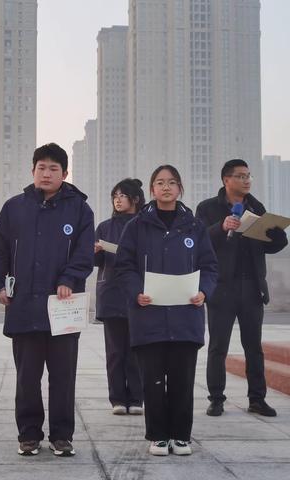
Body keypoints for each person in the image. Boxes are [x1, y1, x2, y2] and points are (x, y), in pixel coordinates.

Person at [0, 143, 94, 457]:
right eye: (41, 168)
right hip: (24, 308)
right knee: (27, 379)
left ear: (65, 173)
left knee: (63, 378)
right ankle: (29, 434)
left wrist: (68, 279)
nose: (47, 173)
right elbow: (1, 250)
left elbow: (84, 252)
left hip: (63, 307)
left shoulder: (79, 209)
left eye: (54, 169)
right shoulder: (14, 207)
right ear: (32, 171)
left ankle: (62, 435)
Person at [115, 165, 218, 456]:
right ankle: (158, 435)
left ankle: (181, 435)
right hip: (149, 316)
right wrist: (137, 292)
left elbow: (209, 266)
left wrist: (203, 292)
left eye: (172, 182)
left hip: (186, 316)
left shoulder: (194, 226)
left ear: (180, 188)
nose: (166, 187)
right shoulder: (136, 226)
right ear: (151, 190)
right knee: (153, 380)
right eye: (160, 183)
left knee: (183, 380)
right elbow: (124, 267)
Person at [196, 159, 288, 418]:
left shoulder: (257, 207)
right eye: (241, 176)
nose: (247, 180)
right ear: (226, 180)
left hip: (251, 287)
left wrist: (279, 236)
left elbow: (268, 244)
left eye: (248, 176)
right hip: (221, 287)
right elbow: (197, 240)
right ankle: (216, 399)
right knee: (218, 346)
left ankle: (257, 399)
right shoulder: (207, 208)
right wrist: (221, 227)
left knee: (253, 347)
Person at [94, 178, 145, 416]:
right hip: (111, 292)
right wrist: (94, 251)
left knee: (136, 349)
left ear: (135, 199)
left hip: (137, 292)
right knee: (115, 350)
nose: (117, 199)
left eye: (122, 195)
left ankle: (136, 398)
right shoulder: (104, 227)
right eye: (115, 195)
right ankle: (116, 398)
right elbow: (94, 262)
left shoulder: (144, 225)